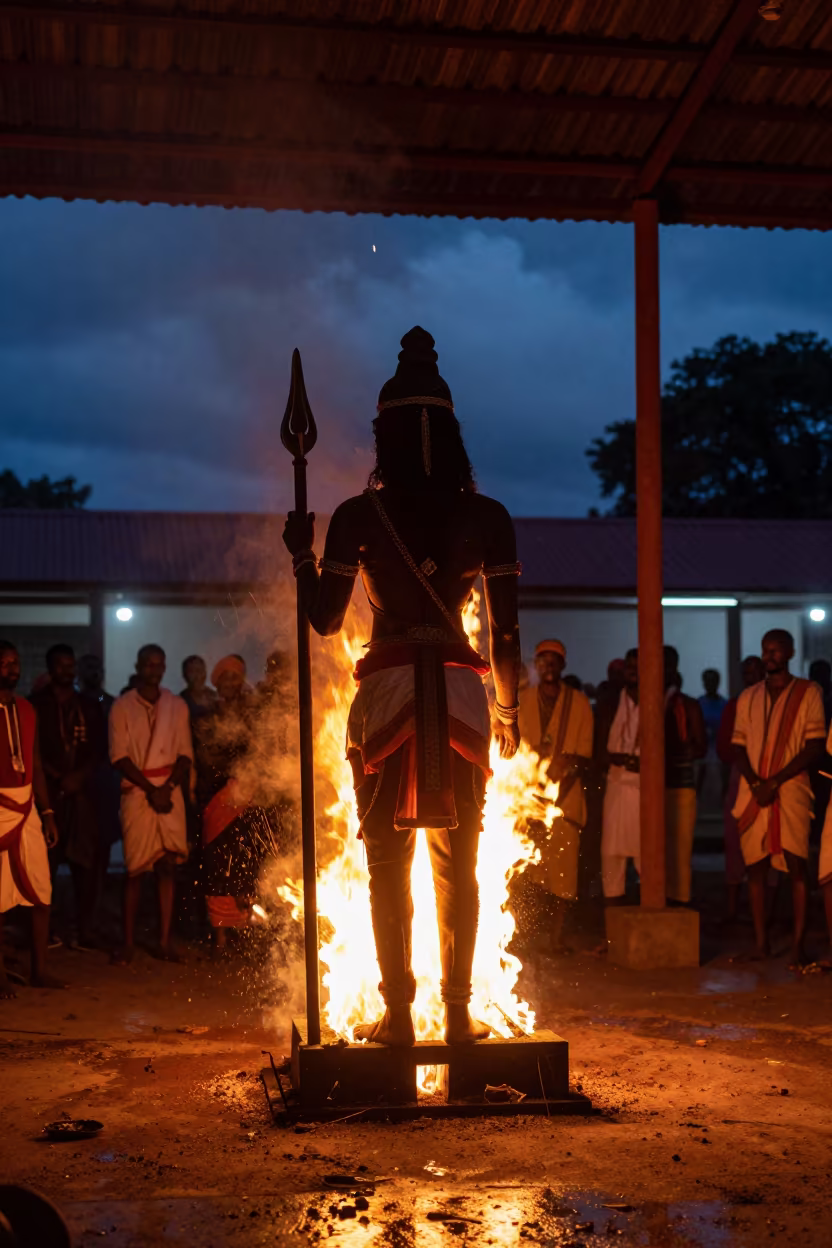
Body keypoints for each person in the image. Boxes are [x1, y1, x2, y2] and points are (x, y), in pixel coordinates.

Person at [282, 326, 521, 1046]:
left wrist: (300, 555)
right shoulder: (488, 518)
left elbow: (325, 622)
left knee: (387, 859)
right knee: (462, 864)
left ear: (385, 432)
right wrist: (509, 710)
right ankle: (454, 1015)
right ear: (450, 431)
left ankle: (397, 1018)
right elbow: (505, 635)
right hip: (461, 699)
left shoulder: (359, 516)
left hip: (385, 696)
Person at [731, 629, 825, 964]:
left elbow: (814, 746)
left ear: (790, 652)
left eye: (776, 650)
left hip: (792, 787)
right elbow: (737, 746)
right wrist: (757, 782)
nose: (770, 656)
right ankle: (761, 943)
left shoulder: (809, 692)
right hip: (754, 790)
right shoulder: (749, 697)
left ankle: (797, 945)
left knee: (796, 866)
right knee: (755, 868)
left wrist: (776, 781)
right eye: (765, 650)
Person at [109, 644, 193, 964]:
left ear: (164, 667)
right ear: (139, 666)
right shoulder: (122, 706)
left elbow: (185, 754)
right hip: (137, 793)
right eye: (148, 664)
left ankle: (163, 941)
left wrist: (168, 788)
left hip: (169, 793)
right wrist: (151, 790)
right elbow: (118, 756)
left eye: (159, 664)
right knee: (134, 871)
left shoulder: (177, 705)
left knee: (168, 867)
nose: (154, 669)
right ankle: (128, 942)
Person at [195, 656, 286, 952]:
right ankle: (221, 937)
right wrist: (226, 781)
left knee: (247, 866)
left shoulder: (253, 715)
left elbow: (261, 752)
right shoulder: (208, 716)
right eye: (226, 679)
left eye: (237, 677)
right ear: (217, 683)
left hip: (249, 798)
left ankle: (245, 934)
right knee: (219, 867)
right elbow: (204, 756)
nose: (231, 683)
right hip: (218, 798)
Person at [517, 639, 593, 952]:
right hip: (526, 798)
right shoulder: (521, 701)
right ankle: (524, 937)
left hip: (566, 798)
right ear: (536, 665)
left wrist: (565, 767)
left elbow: (584, 754)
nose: (548, 665)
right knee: (527, 872)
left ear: (563, 665)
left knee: (563, 874)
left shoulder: (579, 703)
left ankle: (556, 938)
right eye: (542, 660)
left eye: (554, 660)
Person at [0, 640, 63, 996]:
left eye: (15, 661)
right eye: (5, 662)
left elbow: (35, 762)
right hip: (0, 809)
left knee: (41, 889)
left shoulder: (26, 708)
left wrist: (48, 811)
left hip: (28, 810)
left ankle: (40, 970)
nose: (12, 667)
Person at [30, 645, 101, 949]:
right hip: (49, 795)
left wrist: (79, 777)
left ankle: (83, 931)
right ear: (50, 668)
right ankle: (47, 931)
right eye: (62, 666)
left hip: (82, 795)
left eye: (71, 665)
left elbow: (100, 749)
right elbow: (33, 751)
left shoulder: (88, 704)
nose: (68, 671)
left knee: (85, 866)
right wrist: (58, 777)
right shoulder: (36, 705)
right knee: (45, 866)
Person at [716, 655, 765, 923]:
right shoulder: (735, 704)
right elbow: (726, 747)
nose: (751, 678)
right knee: (735, 840)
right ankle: (734, 906)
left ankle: (766, 908)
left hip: (769, 774)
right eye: (747, 674)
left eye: (755, 673)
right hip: (741, 774)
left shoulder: (773, 703)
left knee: (770, 839)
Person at [664, 646, 707, 905]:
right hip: (647, 787)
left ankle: (679, 902)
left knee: (680, 850)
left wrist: (681, 748)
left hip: (679, 785)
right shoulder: (644, 701)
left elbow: (700, 746)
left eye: (668, 664)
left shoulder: (687, 705)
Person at [598, 648, 641, 902]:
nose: (634, 671)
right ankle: (613, 910)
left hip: (645, 785)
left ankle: (650, 913)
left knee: (648, 851)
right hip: (616, 781)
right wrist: (618, 758)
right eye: (630, 667)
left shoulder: (656, 700)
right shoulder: (612, 700)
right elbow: (600, 748)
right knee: (611, 850)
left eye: (639, 666)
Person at [696, 668, 727, 800]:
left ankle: (724, 798)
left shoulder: (724, 704)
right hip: (704, 745)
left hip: (719, 745)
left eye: (713, 681)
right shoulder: (698, 703)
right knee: (701, 772)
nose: (710, 684)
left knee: (723, 772)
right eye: (708, 681)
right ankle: (696, 798)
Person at [179, 655, 217, 722]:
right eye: (191, 671)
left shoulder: (215, 698)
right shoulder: (180, 702)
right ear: (184, 675)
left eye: (199, 671)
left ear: (205, 673)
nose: (197, 676)